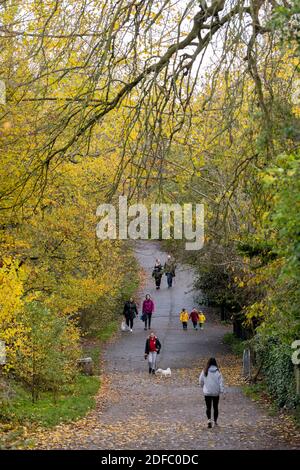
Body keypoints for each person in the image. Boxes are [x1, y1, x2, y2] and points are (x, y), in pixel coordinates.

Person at [199, 357, 225, 428]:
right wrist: (221, 391)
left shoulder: (205, 371)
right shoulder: (218, 372)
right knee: (215, 407)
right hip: (216, 392)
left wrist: (202, 386)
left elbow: (201, 380)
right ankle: (215, 421)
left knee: (208, 407)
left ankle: (209, 420)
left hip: (207, 392)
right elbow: (221, 382)